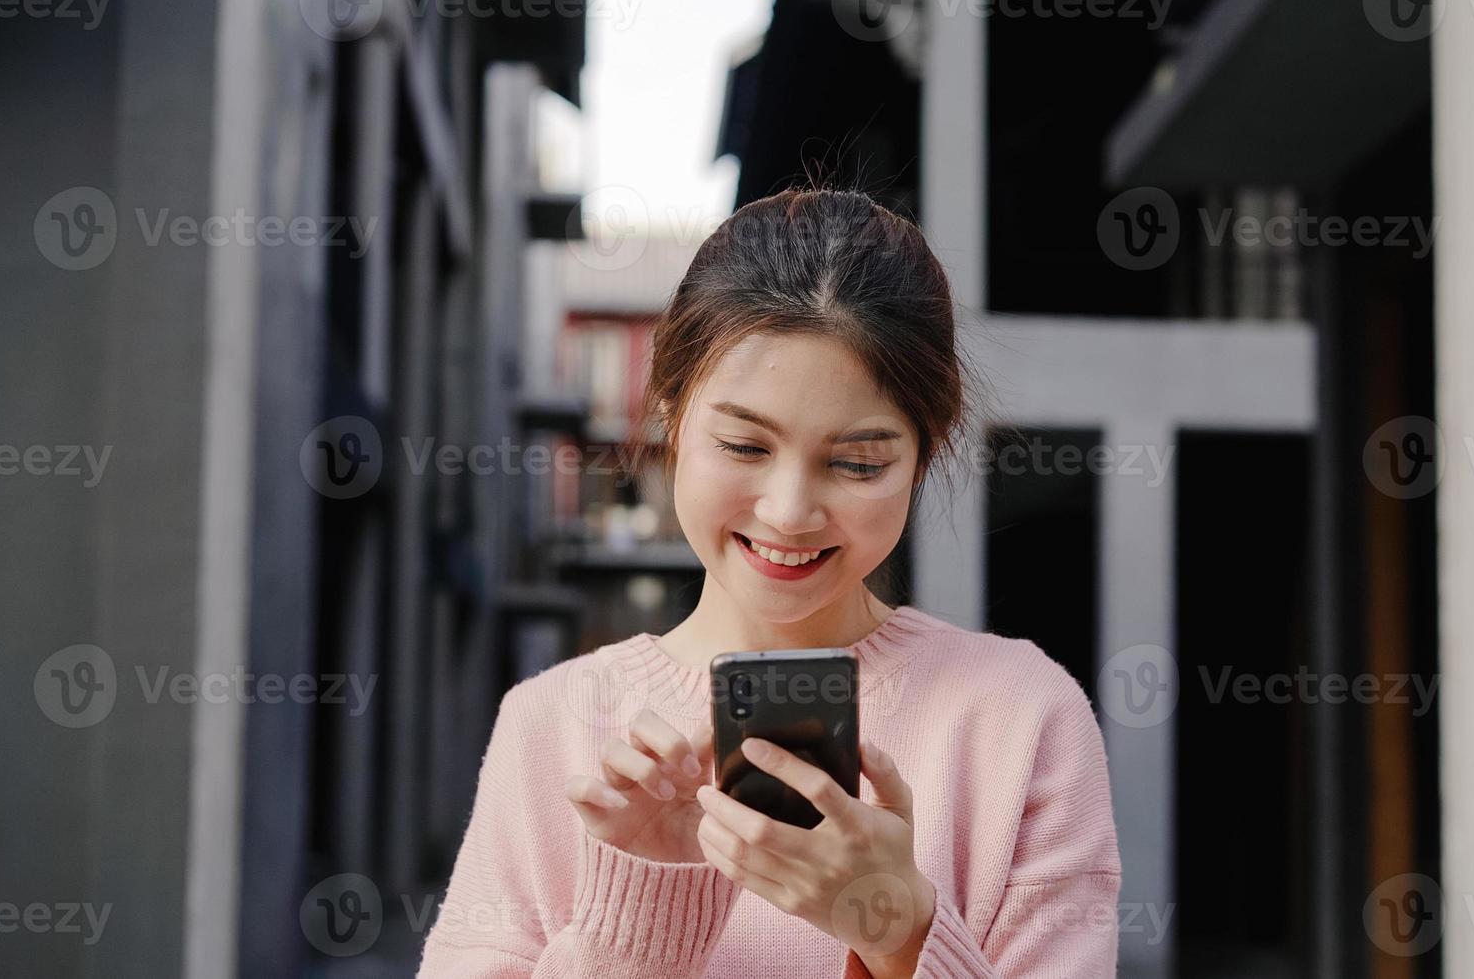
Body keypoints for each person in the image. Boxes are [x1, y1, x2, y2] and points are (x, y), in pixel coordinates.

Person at [417, 188, 1121, 977]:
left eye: (857, 462)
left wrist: (902, 930)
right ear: (671, 416)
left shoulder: (1021, 717)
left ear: (926, 451)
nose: (788, 514)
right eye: (745, 446)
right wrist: (639, 920)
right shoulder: (554, 725)